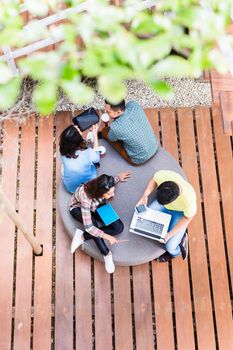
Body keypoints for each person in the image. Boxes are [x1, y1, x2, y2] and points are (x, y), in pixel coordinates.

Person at [69, 172, 132, 273]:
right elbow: (89, 228)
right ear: (100, 192)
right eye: (110, 194)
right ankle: (106, 253)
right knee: (93, 225)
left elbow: (106, 184)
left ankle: (82, 236)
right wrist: (108, 236)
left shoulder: (100, 185)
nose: (113, 195)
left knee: (118, 227)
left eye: (113, 192)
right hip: (79, 208)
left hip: (96, 205)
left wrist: (116, 178)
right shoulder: (85, 199)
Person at [137, 170, 197, 262]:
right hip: (163, 206)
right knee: (145, 218)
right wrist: (145, 195)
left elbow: (188, 218)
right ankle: (175, 234)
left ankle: (177, 251)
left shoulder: (189, 200)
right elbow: (154, 179)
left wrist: (169, 235)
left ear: (174, 200)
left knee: (170, 246)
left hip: (180, 213)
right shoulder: (165, 175)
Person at [101, 100, 158, 165]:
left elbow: (111, 138)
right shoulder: (134, 104)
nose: (106, 113)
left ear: (118, 112)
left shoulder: (115, 127)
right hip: (154, 146)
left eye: (108, 112)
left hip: (139, 158)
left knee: (105, 132)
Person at [60, 124, 100, 193]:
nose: (79, 128)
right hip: (86, 187)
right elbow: (97, 159)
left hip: (71, 188)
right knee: (93, 165)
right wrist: (95, 134)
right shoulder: (88, 152)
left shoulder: (62, 150)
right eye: (79, 131)